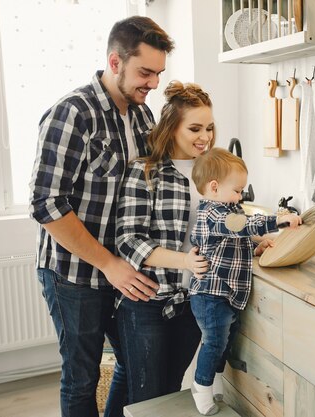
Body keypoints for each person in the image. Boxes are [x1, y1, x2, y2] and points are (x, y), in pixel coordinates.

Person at [29, 16, 174, 417]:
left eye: (159, 73)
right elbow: (46, 205)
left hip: (122, 270)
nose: (154, 83)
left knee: (132, 363)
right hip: (74, 273)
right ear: (115, 61)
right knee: (82, 377)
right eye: (145, 72)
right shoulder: (72, 113)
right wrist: (110, 265)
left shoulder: (143, 116)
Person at [115, 80, 214, 405]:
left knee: (170, 392)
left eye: (210, 128)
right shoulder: (145, 172)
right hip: (148, 303)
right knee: (147, 398)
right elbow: (129, 241)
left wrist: (256, 241)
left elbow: (222, 225)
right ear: (172, 129)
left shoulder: (212, 173)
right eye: (195, 128)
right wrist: (184, 261)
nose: (205, 137)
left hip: (192, 303)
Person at [188, 148, 302, 415]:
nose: (241, 196)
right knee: (214, 342)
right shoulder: (212, 214)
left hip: (226, 295)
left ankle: (212, 381)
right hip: (211, 295)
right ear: (214, 187)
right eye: (237, 190)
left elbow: (231, 245)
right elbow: (241, 225)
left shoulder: (227, 208)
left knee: (225, 340)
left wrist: (255, 248)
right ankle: (201, 386)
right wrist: (279, 220)